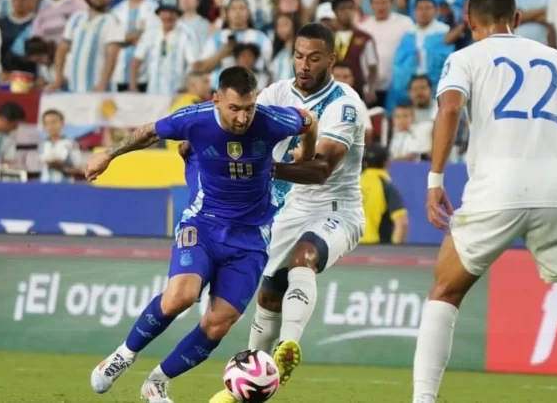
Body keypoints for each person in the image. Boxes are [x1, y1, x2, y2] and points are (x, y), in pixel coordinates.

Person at [412, 0, 557, 402]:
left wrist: (435, 178)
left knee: (445, 292)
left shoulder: (466, 58)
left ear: (469, 19)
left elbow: (450, 110)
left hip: (497, 190)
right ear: (518, 18)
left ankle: (423, 399)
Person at [83, 66, 319, 403]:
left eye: (249, 108)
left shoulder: (272, 120)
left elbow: (309, 119)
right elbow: (151, 132)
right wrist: (107, 155)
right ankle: (123, 354)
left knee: (218, 324)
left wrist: (306, 155)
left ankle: (157, 382)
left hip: (251, 238)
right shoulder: (195, 119)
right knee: (180, 295)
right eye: (234, 109)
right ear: (217, 100)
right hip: (204, 224)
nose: (242, 118)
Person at [210, 22, 367, 403]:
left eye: (314, 58)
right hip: (290, 208)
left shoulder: (344, 104)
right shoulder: (278, 93)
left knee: (304, 258)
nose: (304, 65)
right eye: (298, 56)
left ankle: (288, 347)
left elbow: (320, 170)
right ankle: (246, 386)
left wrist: (265, 169)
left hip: (337, 208)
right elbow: (239, 126)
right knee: (268, 295)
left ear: (332, 59)